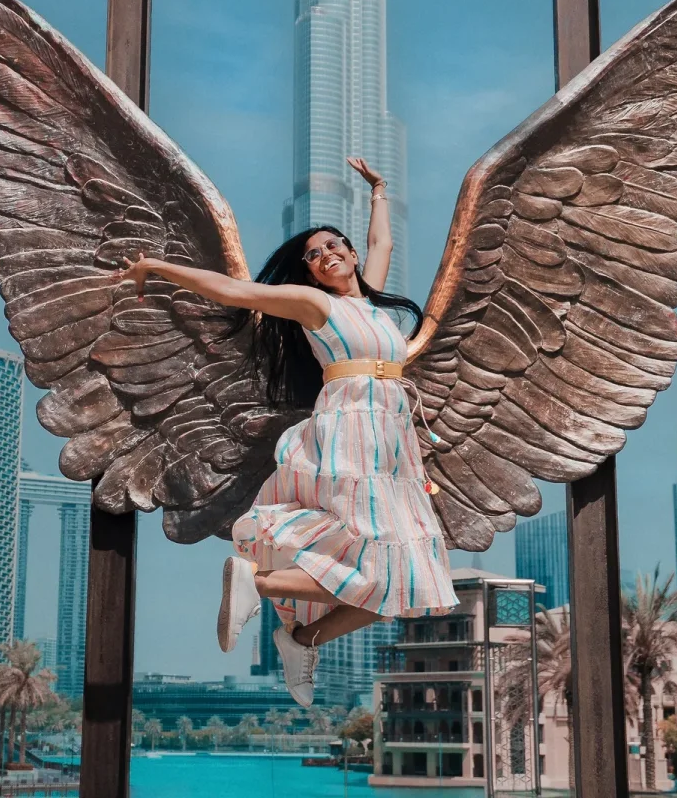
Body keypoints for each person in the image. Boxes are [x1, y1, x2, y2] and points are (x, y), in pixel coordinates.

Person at [120, 156, 457, 705]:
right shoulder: (313, 304)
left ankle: (300, 638)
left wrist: (378, 191)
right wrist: (158, 268)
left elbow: (384, 247)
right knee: (377, 561)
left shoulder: (372, 304)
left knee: (404, 581)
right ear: (310, 272)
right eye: (314, 255)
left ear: (349, 253)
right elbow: (233, 292)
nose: (327, 256)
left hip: (394, 439)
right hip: (353, 427)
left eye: (334, 246)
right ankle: (263, 584)